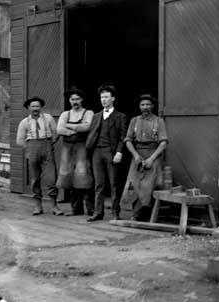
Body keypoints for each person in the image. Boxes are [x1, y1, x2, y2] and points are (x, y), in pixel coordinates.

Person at [85, 85, 128, 222]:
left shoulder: (120, 116)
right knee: (99, 183)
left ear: (113, 99)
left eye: (106, 97)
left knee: (114, 183)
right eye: (102, 97)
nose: (103, 100)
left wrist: (119, 152)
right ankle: (98, 212)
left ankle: (115, 212)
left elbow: (123, 137)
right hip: (97, 152)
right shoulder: (96, 116)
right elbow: (92, 134)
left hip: (111, 151)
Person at [124, 94, 168, 221]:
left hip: (153, 155)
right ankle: (135, 212)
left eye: (148, 105)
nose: (145, 107)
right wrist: (136, 156)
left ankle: (149, 213)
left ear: (153, 106)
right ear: (139, 107)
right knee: (133, 184)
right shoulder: (134, 121)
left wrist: (151, 159)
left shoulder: (159, 121)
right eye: (143, 105)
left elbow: (163, 143)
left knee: (150, 184)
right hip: (137, 155)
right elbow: (128, 140)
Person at [16, 96, 63, 215]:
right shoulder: (24, 122)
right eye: (33, 106)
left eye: (37, 106)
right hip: (32, 149)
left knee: (52, 178)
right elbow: (19, 140)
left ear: (41, 107)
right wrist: (29, 150)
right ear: (28, 108)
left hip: (47, 148)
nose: (35, 108)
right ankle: (38, 206)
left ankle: (54, 206)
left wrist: (50, 143)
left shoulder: (48, 118)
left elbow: (56, 132)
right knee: (35, 179)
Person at [56, 87, 95, 216]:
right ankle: (76, 209)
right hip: (67, 148)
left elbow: (87, 126)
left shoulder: (88, 113)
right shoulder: (65, 114)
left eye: (77, 99)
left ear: (82, 99)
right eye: (72, 99)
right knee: (70, 177)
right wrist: (76, 129)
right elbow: (59, 130)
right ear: (69, 101)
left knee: (84, 176)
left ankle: (91, 209)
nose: (75, 101)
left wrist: (69, 126)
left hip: (82, 147)